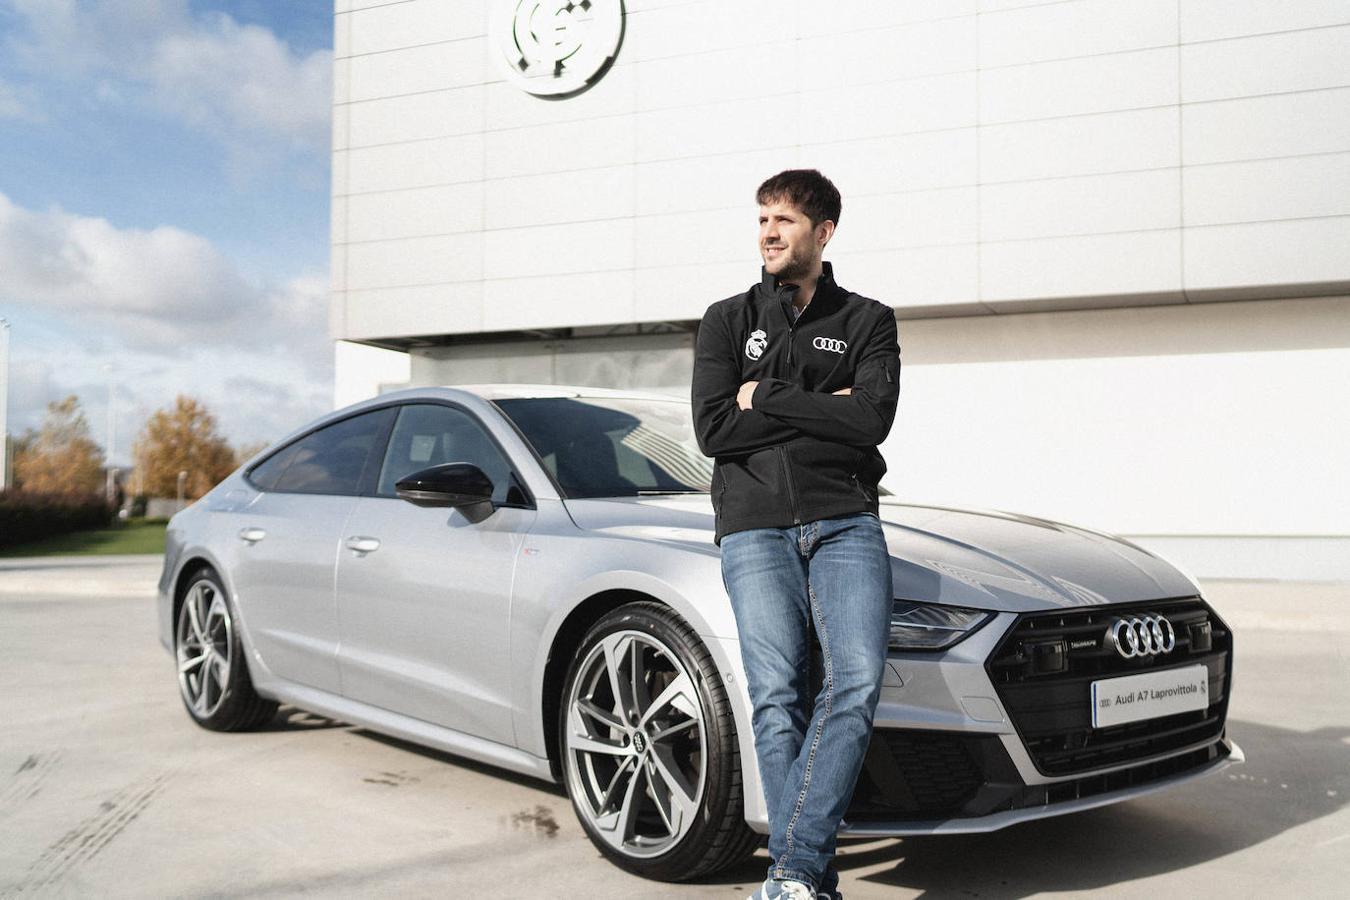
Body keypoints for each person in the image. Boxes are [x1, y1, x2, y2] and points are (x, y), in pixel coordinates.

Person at [691, 169, 900, 900]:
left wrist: (771, 395)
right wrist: (824, 404)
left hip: (845, 520)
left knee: (857, 680)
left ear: (824, 232)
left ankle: (791, 874)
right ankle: (804, 878)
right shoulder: (726, 319)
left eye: (782, 220)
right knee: (778, 695)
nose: (768, 233)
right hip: (753, 525)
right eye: (761, 220)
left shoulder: (869, 320)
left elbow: (872, 421)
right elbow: (714, 429)